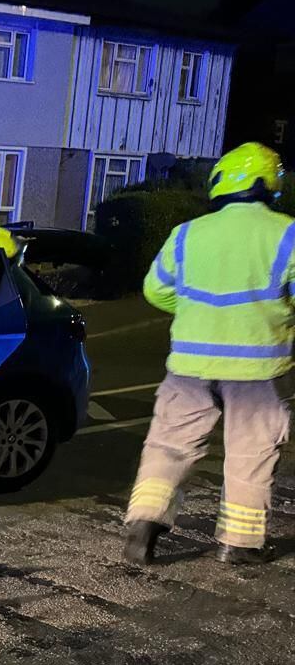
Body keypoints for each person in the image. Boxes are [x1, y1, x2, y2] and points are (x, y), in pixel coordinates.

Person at [122, 142, 295, 567]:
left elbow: (155, 290)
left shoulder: (186, 233)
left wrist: (197, 313)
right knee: (251, 453)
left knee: (168, 445)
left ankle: (145, 522)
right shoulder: (288, 232)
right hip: (260, 370)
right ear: (268, 183)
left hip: (188, 367)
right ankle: (239, 543)